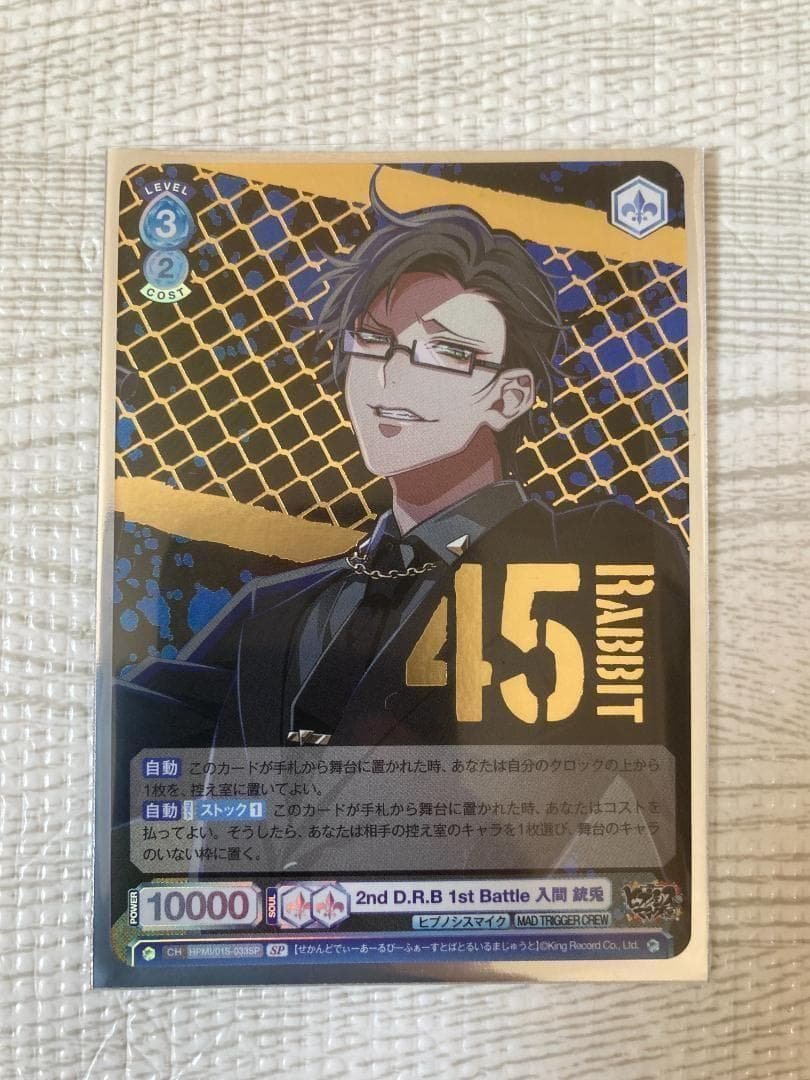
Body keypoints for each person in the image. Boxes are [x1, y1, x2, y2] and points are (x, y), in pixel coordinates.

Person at [115, 183, 689, 757]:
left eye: (446, 352)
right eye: (372, 341)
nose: (389, 378)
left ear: (508, 396)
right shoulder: (274, 612)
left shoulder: (597, 554)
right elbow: (133, 747)